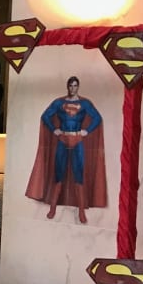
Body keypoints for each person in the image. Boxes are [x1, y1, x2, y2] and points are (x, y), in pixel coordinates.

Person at [24, 76, 106, 224]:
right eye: (70, 86)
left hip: (77, 140)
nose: (73, 88)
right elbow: (45, 116)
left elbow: (97, 118)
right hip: (63, 140)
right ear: (67, 87)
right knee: (59, 174)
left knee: (78, 174)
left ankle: (81, 211)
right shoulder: (59, 103)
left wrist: (87, 131)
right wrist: (53, 129)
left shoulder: (85, 103)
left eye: (75, 86)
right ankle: (53, 208)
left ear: (78, 87)